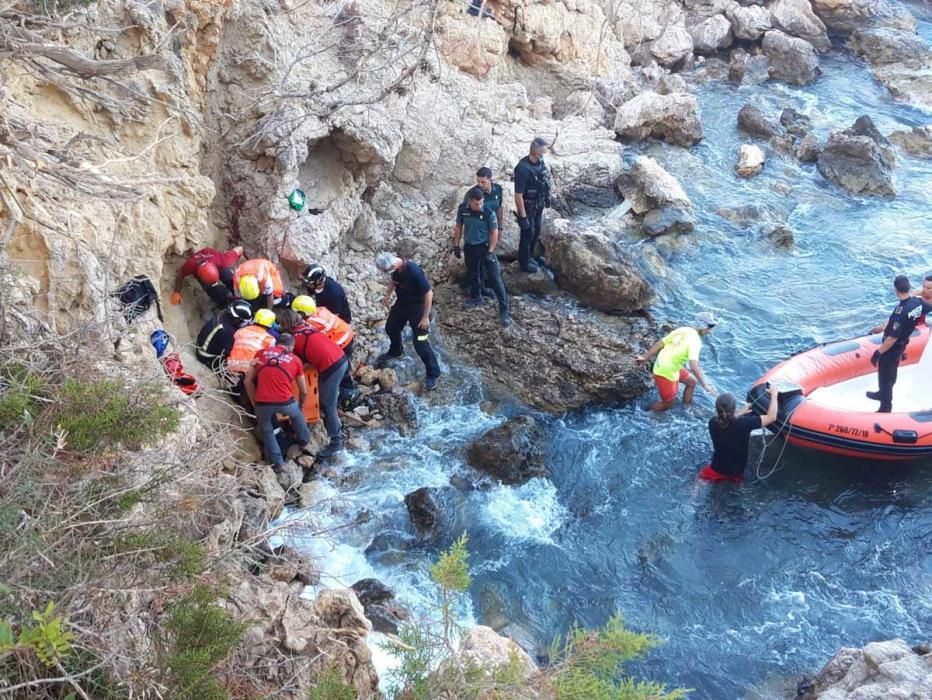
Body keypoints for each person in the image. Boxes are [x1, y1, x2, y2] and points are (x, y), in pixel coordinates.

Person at [277, 309, 348, 458]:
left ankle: (337, 441)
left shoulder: (295, 340)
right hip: (341, 358)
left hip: (332, 367)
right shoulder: (307, 327)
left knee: (327, 404)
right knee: (329, 394)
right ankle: (335, 413)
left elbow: (298, 365)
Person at [374, 252, 442, 390]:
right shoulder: (397, 270)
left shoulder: (414, 272)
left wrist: (425, 317)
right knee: (391, 328)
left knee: (420, 343)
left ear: (393, 265)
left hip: (418, 307)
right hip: (402, 303)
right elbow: (394, 282)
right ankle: (396, 351)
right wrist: (387, 296)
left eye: (387, 271)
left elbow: (429, 293)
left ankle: (434, 373)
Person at [244, 334, 311, 472]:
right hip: (285, 401)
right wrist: (301, 404)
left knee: (267, 430)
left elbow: (247, 381)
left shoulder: (260, 353)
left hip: (263, 403)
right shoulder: (296, 360)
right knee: (296, 415)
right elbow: (303, 390)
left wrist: (255, 403)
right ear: (291, 347)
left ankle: (278, 464)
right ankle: (304, 442)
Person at [452, 187, 511, 326]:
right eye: (476, 204)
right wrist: (456, 245)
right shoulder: (463, 210)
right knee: (473, 273)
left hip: (484, 247)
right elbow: (459, 227)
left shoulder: (488, 212)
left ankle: (504, 309)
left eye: (481, 203)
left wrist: (490, 251)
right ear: (470, 202)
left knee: (495, 278)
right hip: (470, 246)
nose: (479, 206)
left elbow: (494, 232)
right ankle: (476, 297)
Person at [636, 312, 718, 412]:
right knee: (668, 403)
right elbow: (694, 366)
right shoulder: (696, 342)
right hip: (666, 372)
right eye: (709, 327)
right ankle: (645, 412)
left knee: (692, 382)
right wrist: (705, 386)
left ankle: (687, 408)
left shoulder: (683, 329)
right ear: (702, 326)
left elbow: (660, 343)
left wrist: (645, 357)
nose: (710, 331)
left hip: (663, 363)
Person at [867, 275, 923, 413]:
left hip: (892, 347)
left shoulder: (901, 312)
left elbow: (892, 337)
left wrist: (878, 352)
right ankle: (882, 393)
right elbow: (894, 320)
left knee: (885, 375)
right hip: (902, 344)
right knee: (892, 371)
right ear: (909, 287)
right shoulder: (916, 303)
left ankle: (885, 406)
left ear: (895, 290)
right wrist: (880, 328)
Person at [700, 385, 780, 482]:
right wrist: (774, 394)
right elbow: (771, 417)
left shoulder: (712, 423)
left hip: (716, 469)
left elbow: (727, 421)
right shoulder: (745, 423)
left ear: (717, 409)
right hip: (736, 473)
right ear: (734, 409)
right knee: (735, 488)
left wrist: (741, 413)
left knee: (698, 482)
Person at [291, 295, 357, 400]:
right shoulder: (320, 310)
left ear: (303, 313)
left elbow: (312, 342)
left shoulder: (312, 324)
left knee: (336, 367)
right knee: (344, 365)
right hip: (347, 333)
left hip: (341, 341)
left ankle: (346, 392)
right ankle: (348, 386)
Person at [514, 137, 552, 273]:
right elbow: (518, 195)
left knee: (536, 230)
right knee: (527, 232)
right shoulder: (523, 169)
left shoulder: (540, 163)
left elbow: (544, 180)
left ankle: (531, 256)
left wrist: (547, 197)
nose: (543, 155)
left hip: (539, 203)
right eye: (542, 153)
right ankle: (524, 262)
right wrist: (523, 217)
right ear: (535, 153)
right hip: (527, 205)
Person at [171, 246, 243, 307]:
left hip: (214, 262)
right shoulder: (191, 265)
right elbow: (181, 274)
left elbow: (240, 248)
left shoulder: (221, 260)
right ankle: (225, 302)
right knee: (215, 292)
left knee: (229, 278)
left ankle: (237, 293)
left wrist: (241, 260)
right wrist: (177, 291)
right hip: (203, 269)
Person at [195, 300, 253, 372]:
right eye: (244, 322)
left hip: (201, 345)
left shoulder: (223, 314)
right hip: (206, 357)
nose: (245, 324)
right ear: (237, 319)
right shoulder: (227, 331)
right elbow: (228, 351)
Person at [227, 308, 278, 375]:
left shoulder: (241, 330)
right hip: (248, 371)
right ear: (271, 324)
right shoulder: (270, 339)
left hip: (230, 365)